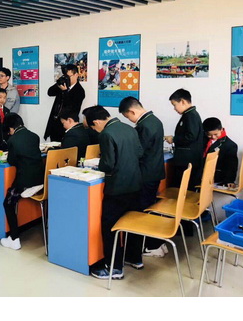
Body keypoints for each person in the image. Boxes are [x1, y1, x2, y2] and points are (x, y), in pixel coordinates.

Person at [83, 105, 143, 280]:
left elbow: (108, 164)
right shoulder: (129, 128)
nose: (95, 130)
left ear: (96, 122)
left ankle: (114, 267)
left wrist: (99, 163)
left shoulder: (106, 134)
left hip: (117, 188)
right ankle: (135, 258)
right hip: (135, 183)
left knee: (110, 227)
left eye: (93, 127)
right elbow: (139, 153)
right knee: (132, 224)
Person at [119, 96, 168, 261]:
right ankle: (157, 243)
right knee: (149, 208)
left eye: (128, 117)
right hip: (154, 172)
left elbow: (138, 151)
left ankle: (153, 246)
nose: (130, 120)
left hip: (145, 174)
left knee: (141, 213)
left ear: (132, 111)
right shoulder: (155, 120)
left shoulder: (144, 126)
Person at [0, 114, 45, 250]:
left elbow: (11, 161)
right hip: (40, 179)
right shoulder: (34, 136)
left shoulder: (12, 140)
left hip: (25, 181)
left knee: (8, 203)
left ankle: (14, 239)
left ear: (10, 128)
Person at [164, 89, 203, 190]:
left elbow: (191, 136)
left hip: (188, 160)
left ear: (182, 101)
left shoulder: (191, 116)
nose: (174, 109)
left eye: (174, 105)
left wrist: (174, 139)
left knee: (181, 188)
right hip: (188, 159)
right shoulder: (189, 115)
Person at [44, 64, 85, 142]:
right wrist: (58, 83)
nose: (67, 79)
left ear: (76, 75)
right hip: (55, 123)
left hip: (68, 124)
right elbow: (50, 92)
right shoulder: (62, 85)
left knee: (66, 146)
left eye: (69, 76)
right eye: (65, 76)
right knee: (54, 146)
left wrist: (65, 91)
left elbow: (71, 107)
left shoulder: (79, 91)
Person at [202, 117, 239, 186]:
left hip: (215, 177)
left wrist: (229, 180)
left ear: (221, 129)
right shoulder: (203, 139)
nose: (213, 137)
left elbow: (231, 166)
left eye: (216, 134)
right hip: (202, 172)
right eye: (209, 135)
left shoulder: (230, 145)